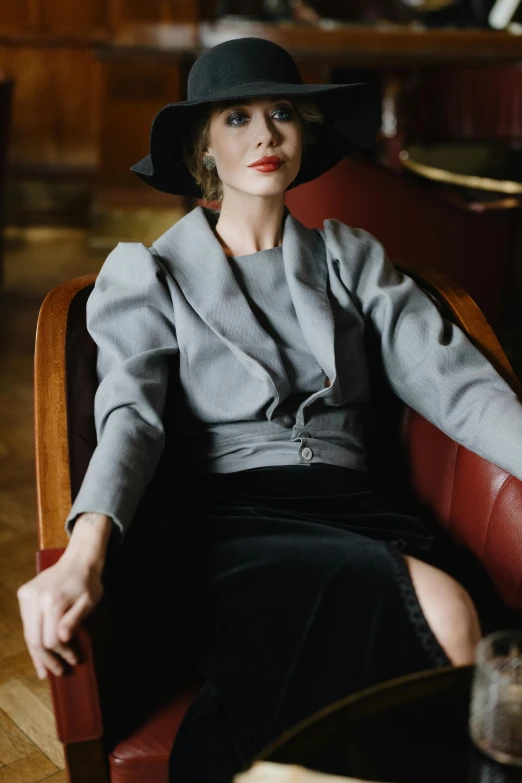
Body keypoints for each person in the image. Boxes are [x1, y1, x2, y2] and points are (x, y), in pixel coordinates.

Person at [17, 36, 522, 783]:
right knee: (446, 615)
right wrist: (84, 555)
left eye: (282, 112)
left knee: (459, 640)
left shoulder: (351, 258)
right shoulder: (148, 273)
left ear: (304, 132)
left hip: (359, 508)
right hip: (226, 526)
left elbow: (457, 385)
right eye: (236, 118)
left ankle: (258, 768)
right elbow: (131, 417)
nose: (263, 134)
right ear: (203, 148)